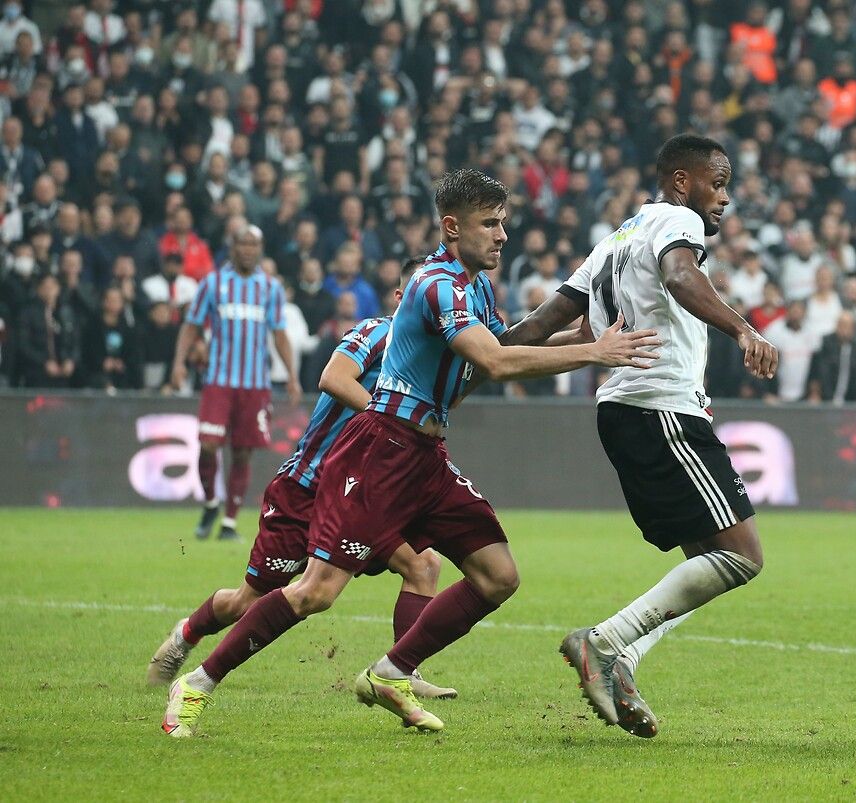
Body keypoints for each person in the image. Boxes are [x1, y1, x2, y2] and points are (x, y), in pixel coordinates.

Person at [161, 168, 659, 738]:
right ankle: (198, 681)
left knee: (497, 575)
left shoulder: (475, 287)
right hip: (379, 450)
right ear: (452, 226)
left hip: (425, 456)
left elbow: (503, 346)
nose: (502, 235)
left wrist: (585, 337)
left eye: (504, 223)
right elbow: (494, 364)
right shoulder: (435, 285)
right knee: (314, 593)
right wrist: (595, 352)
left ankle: (391, 670)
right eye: (489, 224)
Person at [500, 135, 778, 738]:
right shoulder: (677, 222)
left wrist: (485, 354)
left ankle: (622, 661)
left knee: (703, 561)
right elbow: (681, 277)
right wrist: (743, 330)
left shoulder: (615, 240)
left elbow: (548, 320)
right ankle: (604, 643)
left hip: (621, 411)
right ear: (682, 182)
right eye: (718, 182)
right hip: (662, 409)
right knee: (742, 556)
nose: (724, 198)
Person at [149, 305, 455, 700]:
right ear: (403, 295)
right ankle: (186, 633)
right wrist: (387, 415)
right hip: (306, 489)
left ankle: (401, 673)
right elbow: (332, 377)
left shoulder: (431, 359)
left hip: (360, 495)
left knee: (424, 564)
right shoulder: (379, 333)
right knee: (250, 602)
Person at [169, 225, 302, 541]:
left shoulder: (270, 288)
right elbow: (191, 326)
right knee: (208, 445)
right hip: (219, 381)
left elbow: (279, 333)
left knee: (242, 453)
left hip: (255, 385)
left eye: (253, 244)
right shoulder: (213, 284)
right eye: (242, 243)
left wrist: (292, 375)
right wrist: (178, 364)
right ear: (233, 247)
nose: (247, 249)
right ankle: (211, 503)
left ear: (260, 249)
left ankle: (228, 522)